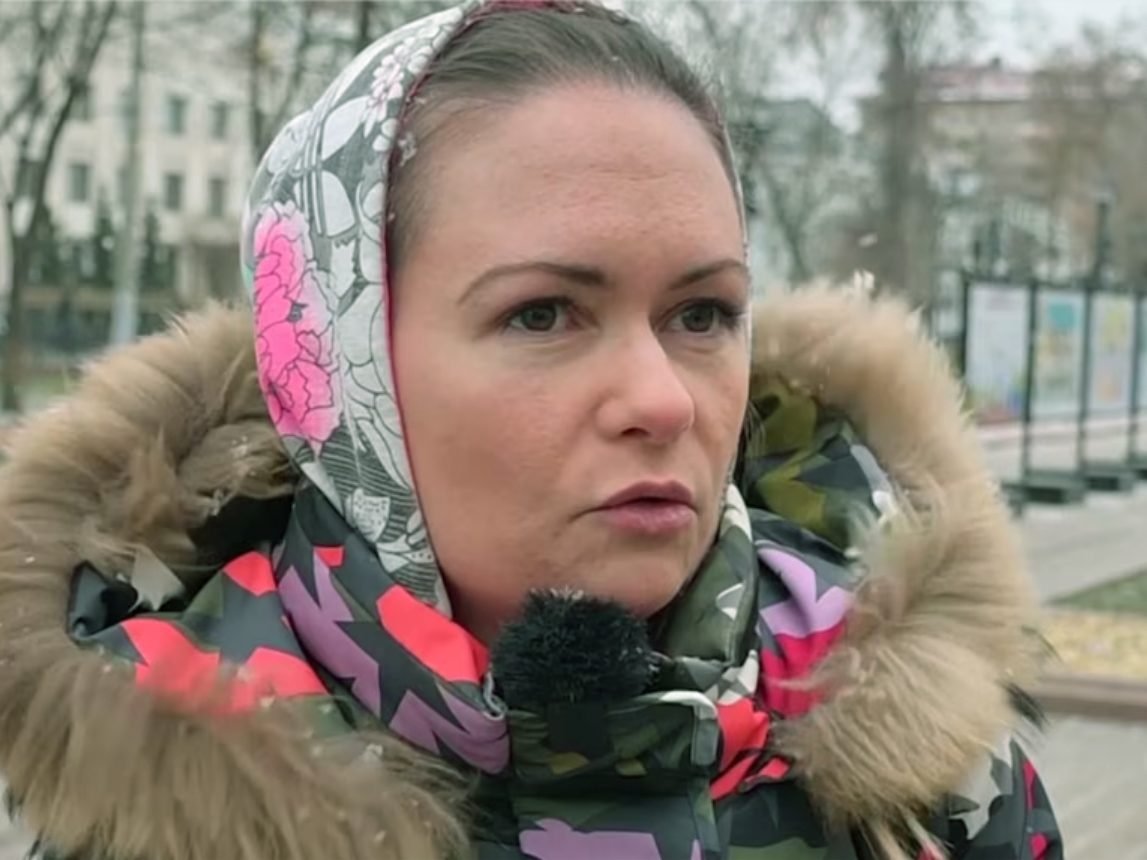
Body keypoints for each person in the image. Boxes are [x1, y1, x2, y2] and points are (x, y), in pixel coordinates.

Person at [0, 1, 1061, 859]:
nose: (662, 400)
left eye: (702, 314)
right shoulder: (152, 799)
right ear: (342, 368)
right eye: (543, 313)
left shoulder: (919, 762)